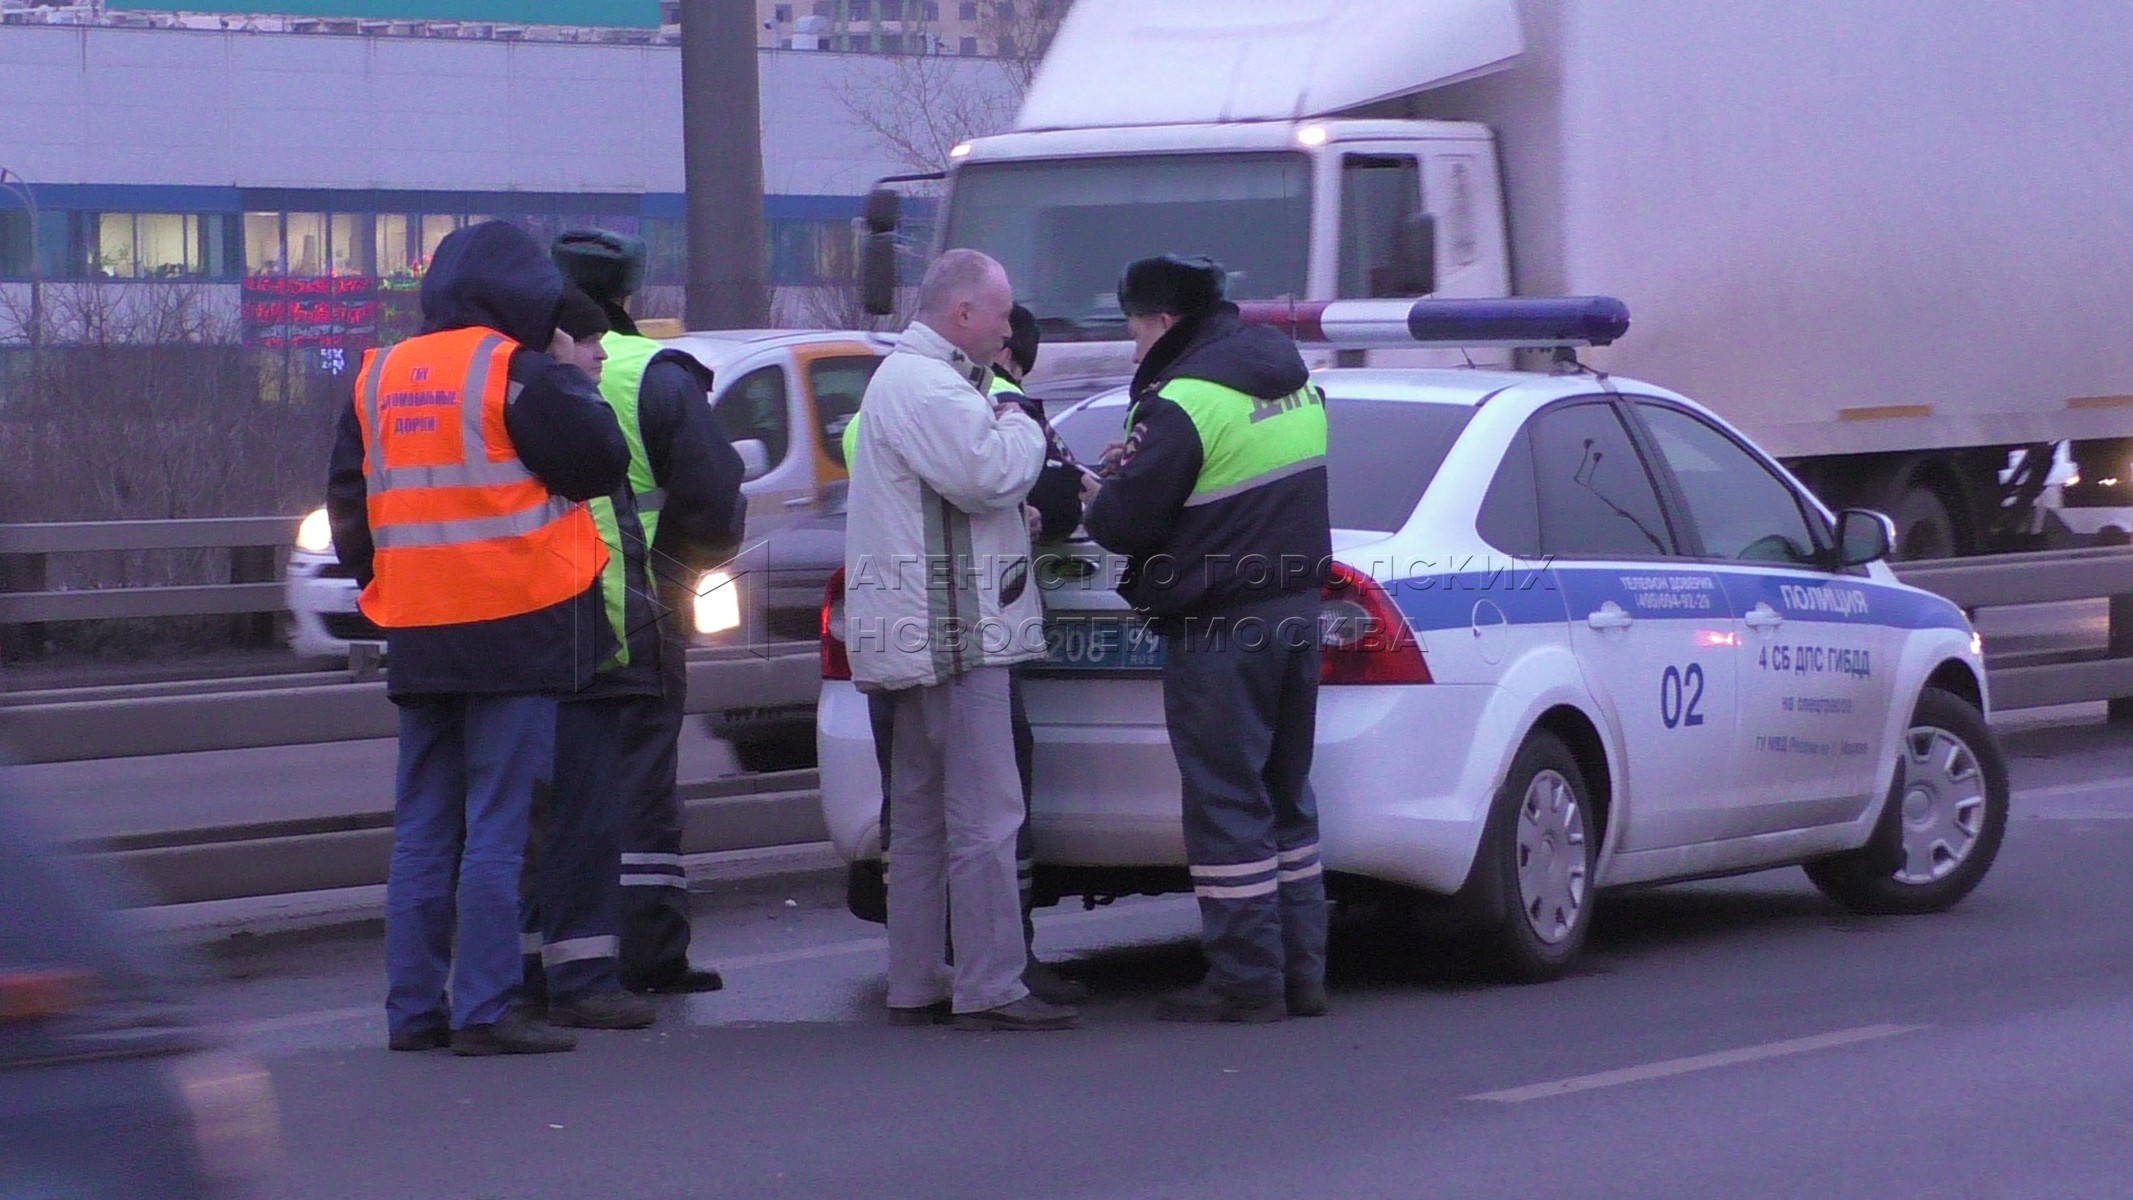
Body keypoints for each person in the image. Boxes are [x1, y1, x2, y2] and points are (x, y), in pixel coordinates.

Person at [326, 220, 629, 1055]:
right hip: (513, 628)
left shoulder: (377, 377)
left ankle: (413, 1010)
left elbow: (350, 507)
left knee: (423, 827)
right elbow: (598, 462)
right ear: (521, 292)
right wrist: (574, 378)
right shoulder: (514, 372)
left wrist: (390, 586)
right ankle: (486, 1008)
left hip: (418, 630)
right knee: (497, 825)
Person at [1082, 254, 1333, 1023]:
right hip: (1296, 610)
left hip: (1222, 627)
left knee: (1225, 805)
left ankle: (1244, 982)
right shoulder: (1293, 380)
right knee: (1285, 802)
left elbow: (1125, 524)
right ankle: (1301, 975)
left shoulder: (1183, 401)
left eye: (1132, 326)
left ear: (1162, 320)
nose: (1130, 347)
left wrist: (1103, 490)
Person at [843, 249, 1077, 1031]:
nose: (1009, 332)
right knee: (986, 813)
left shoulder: (907, 380)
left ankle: (915, 978)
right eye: (1002, 315)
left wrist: (1012, 514)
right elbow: (987, 474)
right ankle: (990, 985)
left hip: (918, 628)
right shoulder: (933, 385)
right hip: (957, 633)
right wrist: (1018, 422)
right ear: (964, 315)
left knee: (916, 816)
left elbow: (950, 499)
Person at [551, 229, 748, 996]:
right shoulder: (654, 374)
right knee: (642, 786)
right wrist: (675, 575)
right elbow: (713, 495)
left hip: (536, 616)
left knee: (558, 792)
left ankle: (568, 955)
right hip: (636, 612)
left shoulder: (517, 369)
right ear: (627, 292)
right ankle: (650, 950)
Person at [514, 286, 659, 1032]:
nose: (604, 353)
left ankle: (535, 972)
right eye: (589, 340)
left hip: (571, 645)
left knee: (547, 821)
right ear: (557, 345)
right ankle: (583, 978)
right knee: (582, 821)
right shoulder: (558, 409)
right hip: (579, 651)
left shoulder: (544, 403)